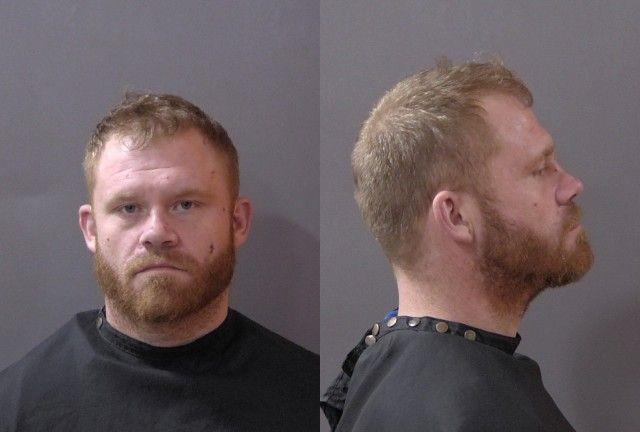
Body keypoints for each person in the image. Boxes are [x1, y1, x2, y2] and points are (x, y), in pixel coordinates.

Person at [0, 93, 318, 431]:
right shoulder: (16, 406)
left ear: (237, 222)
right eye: (129, 208)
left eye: (185, 205)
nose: (156, 233)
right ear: (91, 230)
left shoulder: (309, 397)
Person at [322, 58, 594, 431]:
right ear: (456, 216)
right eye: (540, 169)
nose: (571, 186)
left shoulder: (383, 370)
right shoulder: (477, 415)